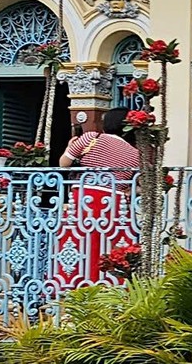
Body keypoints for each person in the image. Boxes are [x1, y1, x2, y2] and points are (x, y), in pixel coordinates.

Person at [51, 109, 142, 288]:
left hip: (85, 200)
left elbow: (64, 164)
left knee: (78, 244)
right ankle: (109, 287)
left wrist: (70, 146)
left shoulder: (91, 138)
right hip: (113, 204)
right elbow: (139, 186)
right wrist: (127, 192)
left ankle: (73, 286)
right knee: (108, 247)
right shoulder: (135, 154)